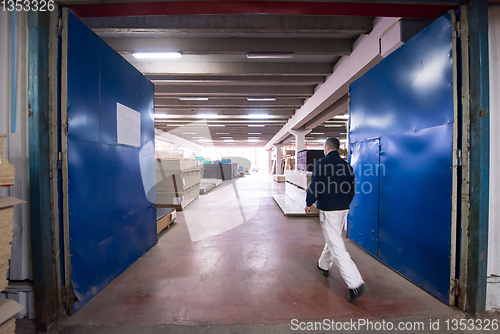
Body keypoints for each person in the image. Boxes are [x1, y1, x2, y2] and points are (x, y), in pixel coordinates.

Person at [305, 137, 366, 303]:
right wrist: (345, 203)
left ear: (327, 147)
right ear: (338, 149)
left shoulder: (322, 164)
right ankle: (324, 264)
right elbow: (352, 189)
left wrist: (309, 202)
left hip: (329, 210)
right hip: (343, 209)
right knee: (334, 238)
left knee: (337, 246)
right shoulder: (347, 166)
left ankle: (355, 283)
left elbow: (316, 185)